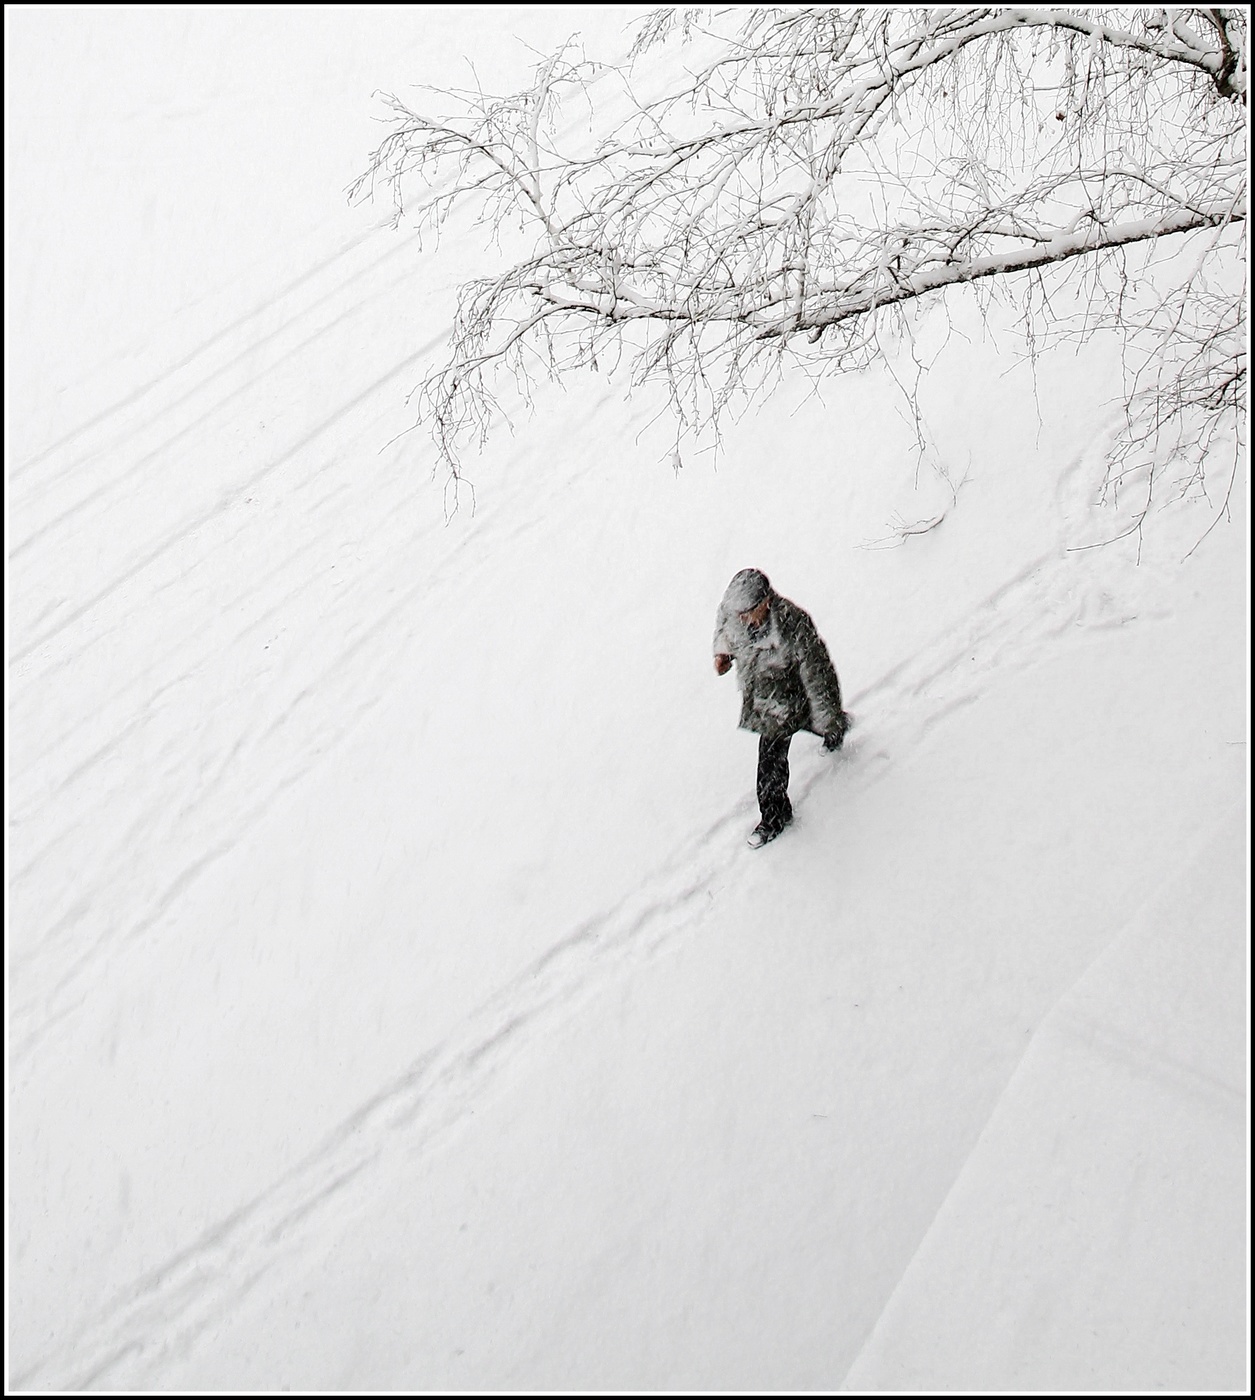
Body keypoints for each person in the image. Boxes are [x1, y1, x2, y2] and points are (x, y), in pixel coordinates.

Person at [713, 568, 850, 848]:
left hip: (788, 698)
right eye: (739, 613)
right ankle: (832, 727)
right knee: (806, 726)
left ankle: (775, 818)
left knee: (771, 761)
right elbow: (724, 623)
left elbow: (818, 675)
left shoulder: (793, 625)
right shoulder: (734, 612)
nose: (742, 619)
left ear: (765, 601)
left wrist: (828, 714)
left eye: (747, 613)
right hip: (762, 695)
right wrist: (722, 652)